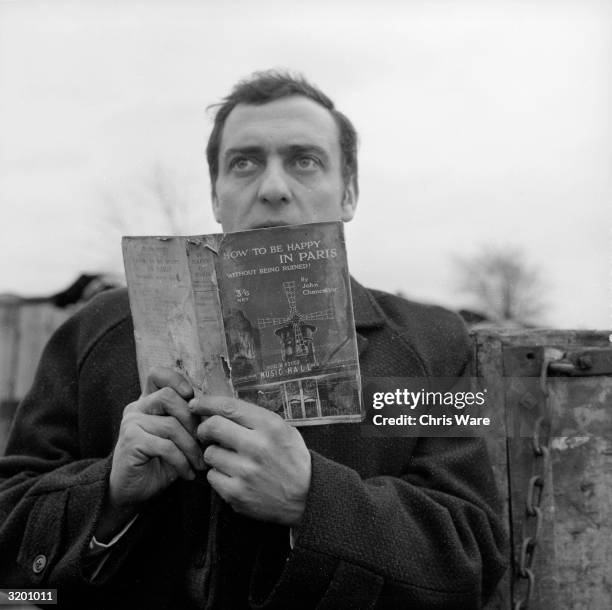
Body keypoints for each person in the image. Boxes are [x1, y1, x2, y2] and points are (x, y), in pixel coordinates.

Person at [0, 70, 507, 609]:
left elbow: (472, 552)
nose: (272, 188)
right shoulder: (94, 334)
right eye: (243, 163)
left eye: (304, 160)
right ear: (216, 195)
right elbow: (13, 571)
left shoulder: (429, 346)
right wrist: (107, 496)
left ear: (349, 192)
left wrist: (314, 499)